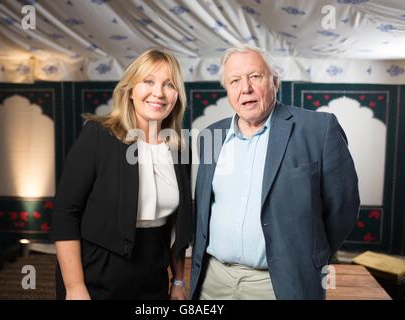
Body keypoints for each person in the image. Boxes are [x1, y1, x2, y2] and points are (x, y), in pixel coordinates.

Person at [190, 44, 360, 300]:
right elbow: (204, 210)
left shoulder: (319, 129)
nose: (245, 88)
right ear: (227, 89)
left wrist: (310, 254)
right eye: (234, 80)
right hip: (213, 281)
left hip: (279, 283)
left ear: (274, 81)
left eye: (255, 77)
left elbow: (343, 208)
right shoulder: (210, 136)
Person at [51, 48, 193, 300]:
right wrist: (74, 287)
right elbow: (65, 213)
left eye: (169, 84)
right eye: (148, 81)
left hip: (153, 274)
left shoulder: (179, 147)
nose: (158, 93)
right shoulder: (98, 134)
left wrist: (179, 280)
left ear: (177, 96)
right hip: (97, 271)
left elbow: (175, 228)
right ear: (130, 91)